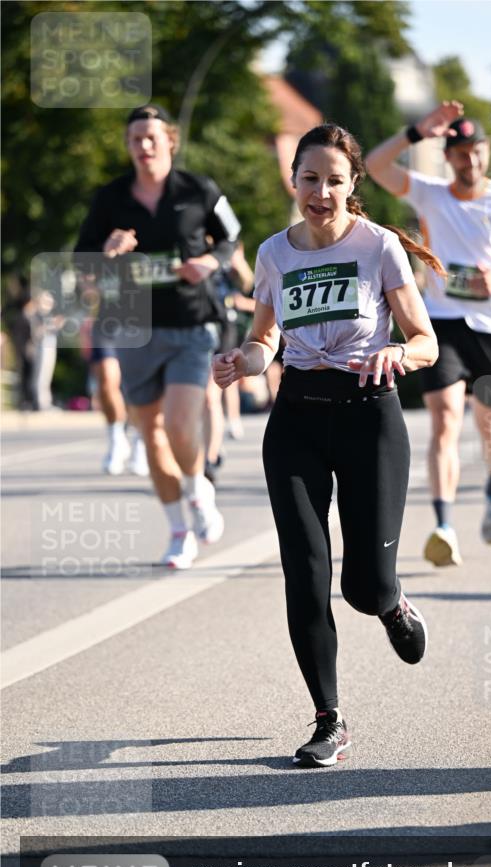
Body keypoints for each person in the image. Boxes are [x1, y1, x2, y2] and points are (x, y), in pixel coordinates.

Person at [213, 123, 439, 767]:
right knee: (306, 572)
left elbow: (427, 341)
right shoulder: (274, 253)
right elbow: (265, 342)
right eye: (309, 178)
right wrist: (242, 360)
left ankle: (390, 602)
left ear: (353, 185)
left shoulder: (380, 248)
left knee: (363, 587)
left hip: (370, 415)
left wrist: (397, 352)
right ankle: (328, 718)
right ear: (294, 180)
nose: (321, 192)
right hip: (298, 419)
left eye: (334, 180)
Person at [366, 106, 491, 568]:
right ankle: (444, 526)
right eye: (462, 154)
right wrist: (414, 133)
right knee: (445, 420)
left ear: (487, 153)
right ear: (449, 157)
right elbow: (375, 166)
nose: (471, 161)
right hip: (443, 322)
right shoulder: (430, 195)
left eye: (477, 152)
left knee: (490, 425)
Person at [74, 104, 240, 568]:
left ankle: (197, 487)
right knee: (151, 437)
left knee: (180, 423)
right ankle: (179, 528)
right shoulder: (111, 199)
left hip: (191, 324)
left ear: (170, 140)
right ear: (128, 147)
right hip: (133, 327)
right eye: (135, 140)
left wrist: (210, 262)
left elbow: (231, 238)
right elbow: (82, 262)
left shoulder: (198, 190)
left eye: (151, 137)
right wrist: (107, 251)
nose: (143, 146)